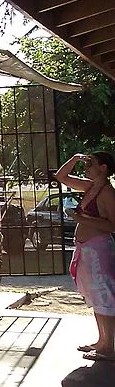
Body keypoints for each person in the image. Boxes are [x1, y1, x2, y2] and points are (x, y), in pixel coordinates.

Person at [55, 151, 115, 361]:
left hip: (99, 249)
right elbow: (61, 177)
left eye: (91, 164)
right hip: (86, 248)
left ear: (103, 168)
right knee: (94, 296)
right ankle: (102, 340)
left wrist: (81, 219)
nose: (87, 168)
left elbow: (112, 225)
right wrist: (74, 159)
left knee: (104, 296)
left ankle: (108, 346)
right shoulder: (90, 187)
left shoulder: (107, 192)